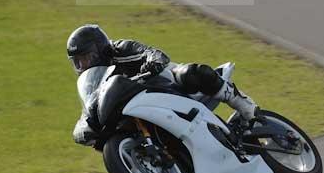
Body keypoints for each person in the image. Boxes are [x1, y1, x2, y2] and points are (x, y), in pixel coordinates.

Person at [68, 23, 259, 146]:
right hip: (136, 110)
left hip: (164, 84)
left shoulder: (121, 48)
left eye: (87, 57)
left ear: (100, 48)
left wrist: (153, 62)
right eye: (78, 61)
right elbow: (87, 112)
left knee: (192, 73)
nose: (83, 65)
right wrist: (82, 132)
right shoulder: (92, 81)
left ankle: (245, 106)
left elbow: (152, 52)